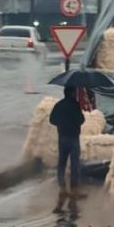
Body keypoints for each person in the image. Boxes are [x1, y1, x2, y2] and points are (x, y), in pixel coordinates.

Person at [48, 85, 85, 213]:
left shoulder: (59, 105)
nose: (76, 94)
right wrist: (74, 123)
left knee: (61, 164)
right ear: (71, 93)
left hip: (62, 138)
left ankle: (63, 188)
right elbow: (81, 120)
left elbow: (52, 120)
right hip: (74, 138)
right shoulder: (75, 105)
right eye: (75, 92)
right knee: (75, 165)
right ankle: (74, 190)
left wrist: (61, 124)